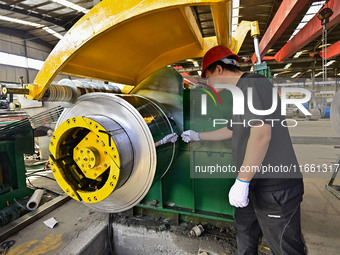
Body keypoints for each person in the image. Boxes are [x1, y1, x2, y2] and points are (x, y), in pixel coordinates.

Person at [181, 45, 305, 255]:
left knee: (285, 247)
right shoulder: (240, 94)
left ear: (219, 69)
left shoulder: (253, 84)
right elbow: (231, 129)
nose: (209, 84)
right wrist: (198, 135)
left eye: (208, 77)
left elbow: (261, 134)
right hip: (253, 186)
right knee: (245, 233)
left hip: (274, 188)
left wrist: (242, 181)